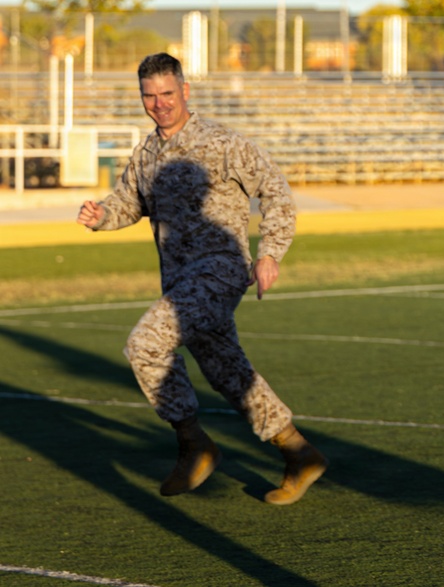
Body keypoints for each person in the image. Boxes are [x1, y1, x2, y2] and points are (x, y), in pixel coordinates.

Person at [77, 52, 327, 505]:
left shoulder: (224, 142)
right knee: (228, 372)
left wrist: (270, 253)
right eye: (150, 96)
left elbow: (275, 191)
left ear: (185, 90)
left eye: (168, 94)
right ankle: (299, 453)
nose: (160, 104)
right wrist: (101, 215)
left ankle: (194, 443)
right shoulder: (147, 153)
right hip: (178, 282)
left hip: (219, 271)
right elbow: (129, 204)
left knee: (144, 345)